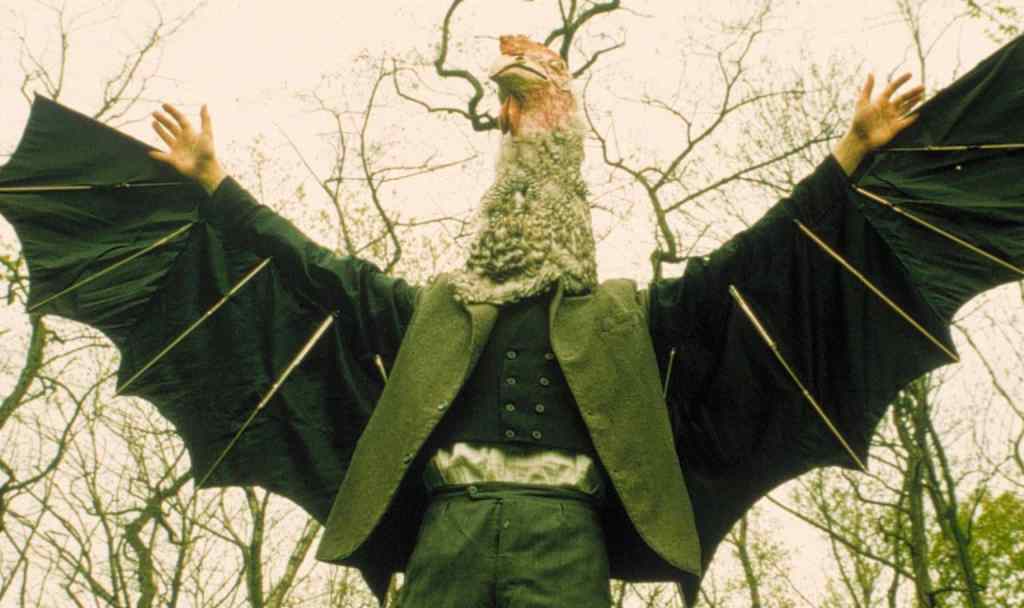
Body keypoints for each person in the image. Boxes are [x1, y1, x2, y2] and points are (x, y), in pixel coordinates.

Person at [149, 35, 923, 608]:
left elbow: (754, 260)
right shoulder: (431, 310)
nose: (520, 142)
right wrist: (217, 183)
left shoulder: (626, 315)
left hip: (568, 541)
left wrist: (849, 153)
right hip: (445, 537)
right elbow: (309, 269)